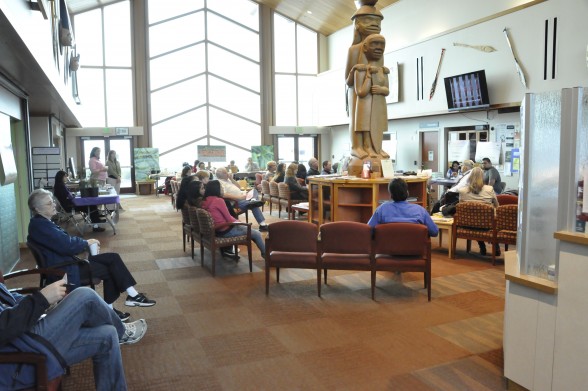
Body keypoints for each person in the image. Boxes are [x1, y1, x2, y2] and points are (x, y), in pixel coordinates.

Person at [27, 189, 156, 321]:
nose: (54, 204)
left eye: (52, 201)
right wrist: (87, 242)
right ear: (37, 209)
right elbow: (67, 245)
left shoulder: (40, 224)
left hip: (65, 264)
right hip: (65, 270)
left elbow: (64, 244)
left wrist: (84, 243)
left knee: (112, 259)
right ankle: (124, 300)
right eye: (49, 204)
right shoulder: (42, 227)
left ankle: (124, 300)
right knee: (111, 265)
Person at [0, 281, 147, 390]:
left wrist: (46, 305)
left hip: (26, 338)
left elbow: (11, 300)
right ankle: (123, 332)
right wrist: (41, 299)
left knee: (108, 334)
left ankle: (118, 331)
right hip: (18, 357)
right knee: (85, 296)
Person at [345, 1, 384, 159]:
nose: (374, 24)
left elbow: (381, 76)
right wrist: (357, 71)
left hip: (372, 93)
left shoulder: (378, 50)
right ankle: (357, 146)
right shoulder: (354, 49)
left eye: (377, 21)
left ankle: (373, 147)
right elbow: (347, 79)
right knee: (358, 120)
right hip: (357, 92)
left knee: (372, 120)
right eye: (368, 20)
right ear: (357, 24)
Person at [201, 180, 266, 256]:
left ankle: (264, 253)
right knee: (257, 234)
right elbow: (229, 219)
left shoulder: (204, 201)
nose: (223, 189)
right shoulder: (218, 201)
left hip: (216, 230)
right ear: (216, 189)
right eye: (221, 187)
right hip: (225, 230)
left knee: (251, 232)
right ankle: (266, 256)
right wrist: (242, 223)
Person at [350, 33, 389, 158]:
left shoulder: (383, 70)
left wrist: (381, 90)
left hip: (379, 104)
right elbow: (360, 92)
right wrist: (367, 75)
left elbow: (387, 90)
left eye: (382, 44)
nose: (379, 47)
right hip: (364, 104)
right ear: (365, 47)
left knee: (379, 125)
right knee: (366, 126)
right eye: (375, 44)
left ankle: (378, 148)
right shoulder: (360, 69)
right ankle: (367, 146)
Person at [368, 178, 439, 237]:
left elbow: (368, 231)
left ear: (390, 195)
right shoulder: (420, 210)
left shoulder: (382, 209)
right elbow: (434, 232)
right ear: (407, 193)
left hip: (387, 251)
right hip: (414, 252)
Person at [458, 167, 499, 256]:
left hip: (468, 223)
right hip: (487, 224)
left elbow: (460, 206)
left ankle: (482, 246)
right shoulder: (489, 189)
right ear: (483, 177)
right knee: (485, 218)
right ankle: (495, 245)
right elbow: (497, 205)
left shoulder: (462, 191)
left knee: (476, 218)